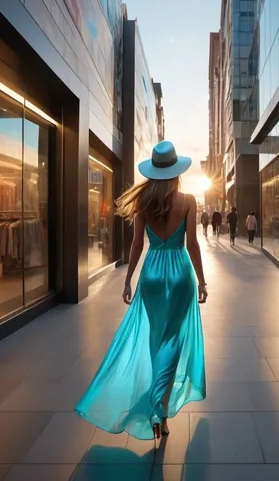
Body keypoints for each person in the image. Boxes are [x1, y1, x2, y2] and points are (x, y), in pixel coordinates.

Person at [75, 141, 207, 440]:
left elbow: (136, 244)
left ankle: (156, 405)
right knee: (174, 338)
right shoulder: (188, 200)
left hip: (151, 274)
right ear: (177, 173)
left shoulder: (144, 202)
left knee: (154, 337)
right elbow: (193, 245)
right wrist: (201, 280)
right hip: (179, 273)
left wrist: (128, 279)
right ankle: (160, 407)